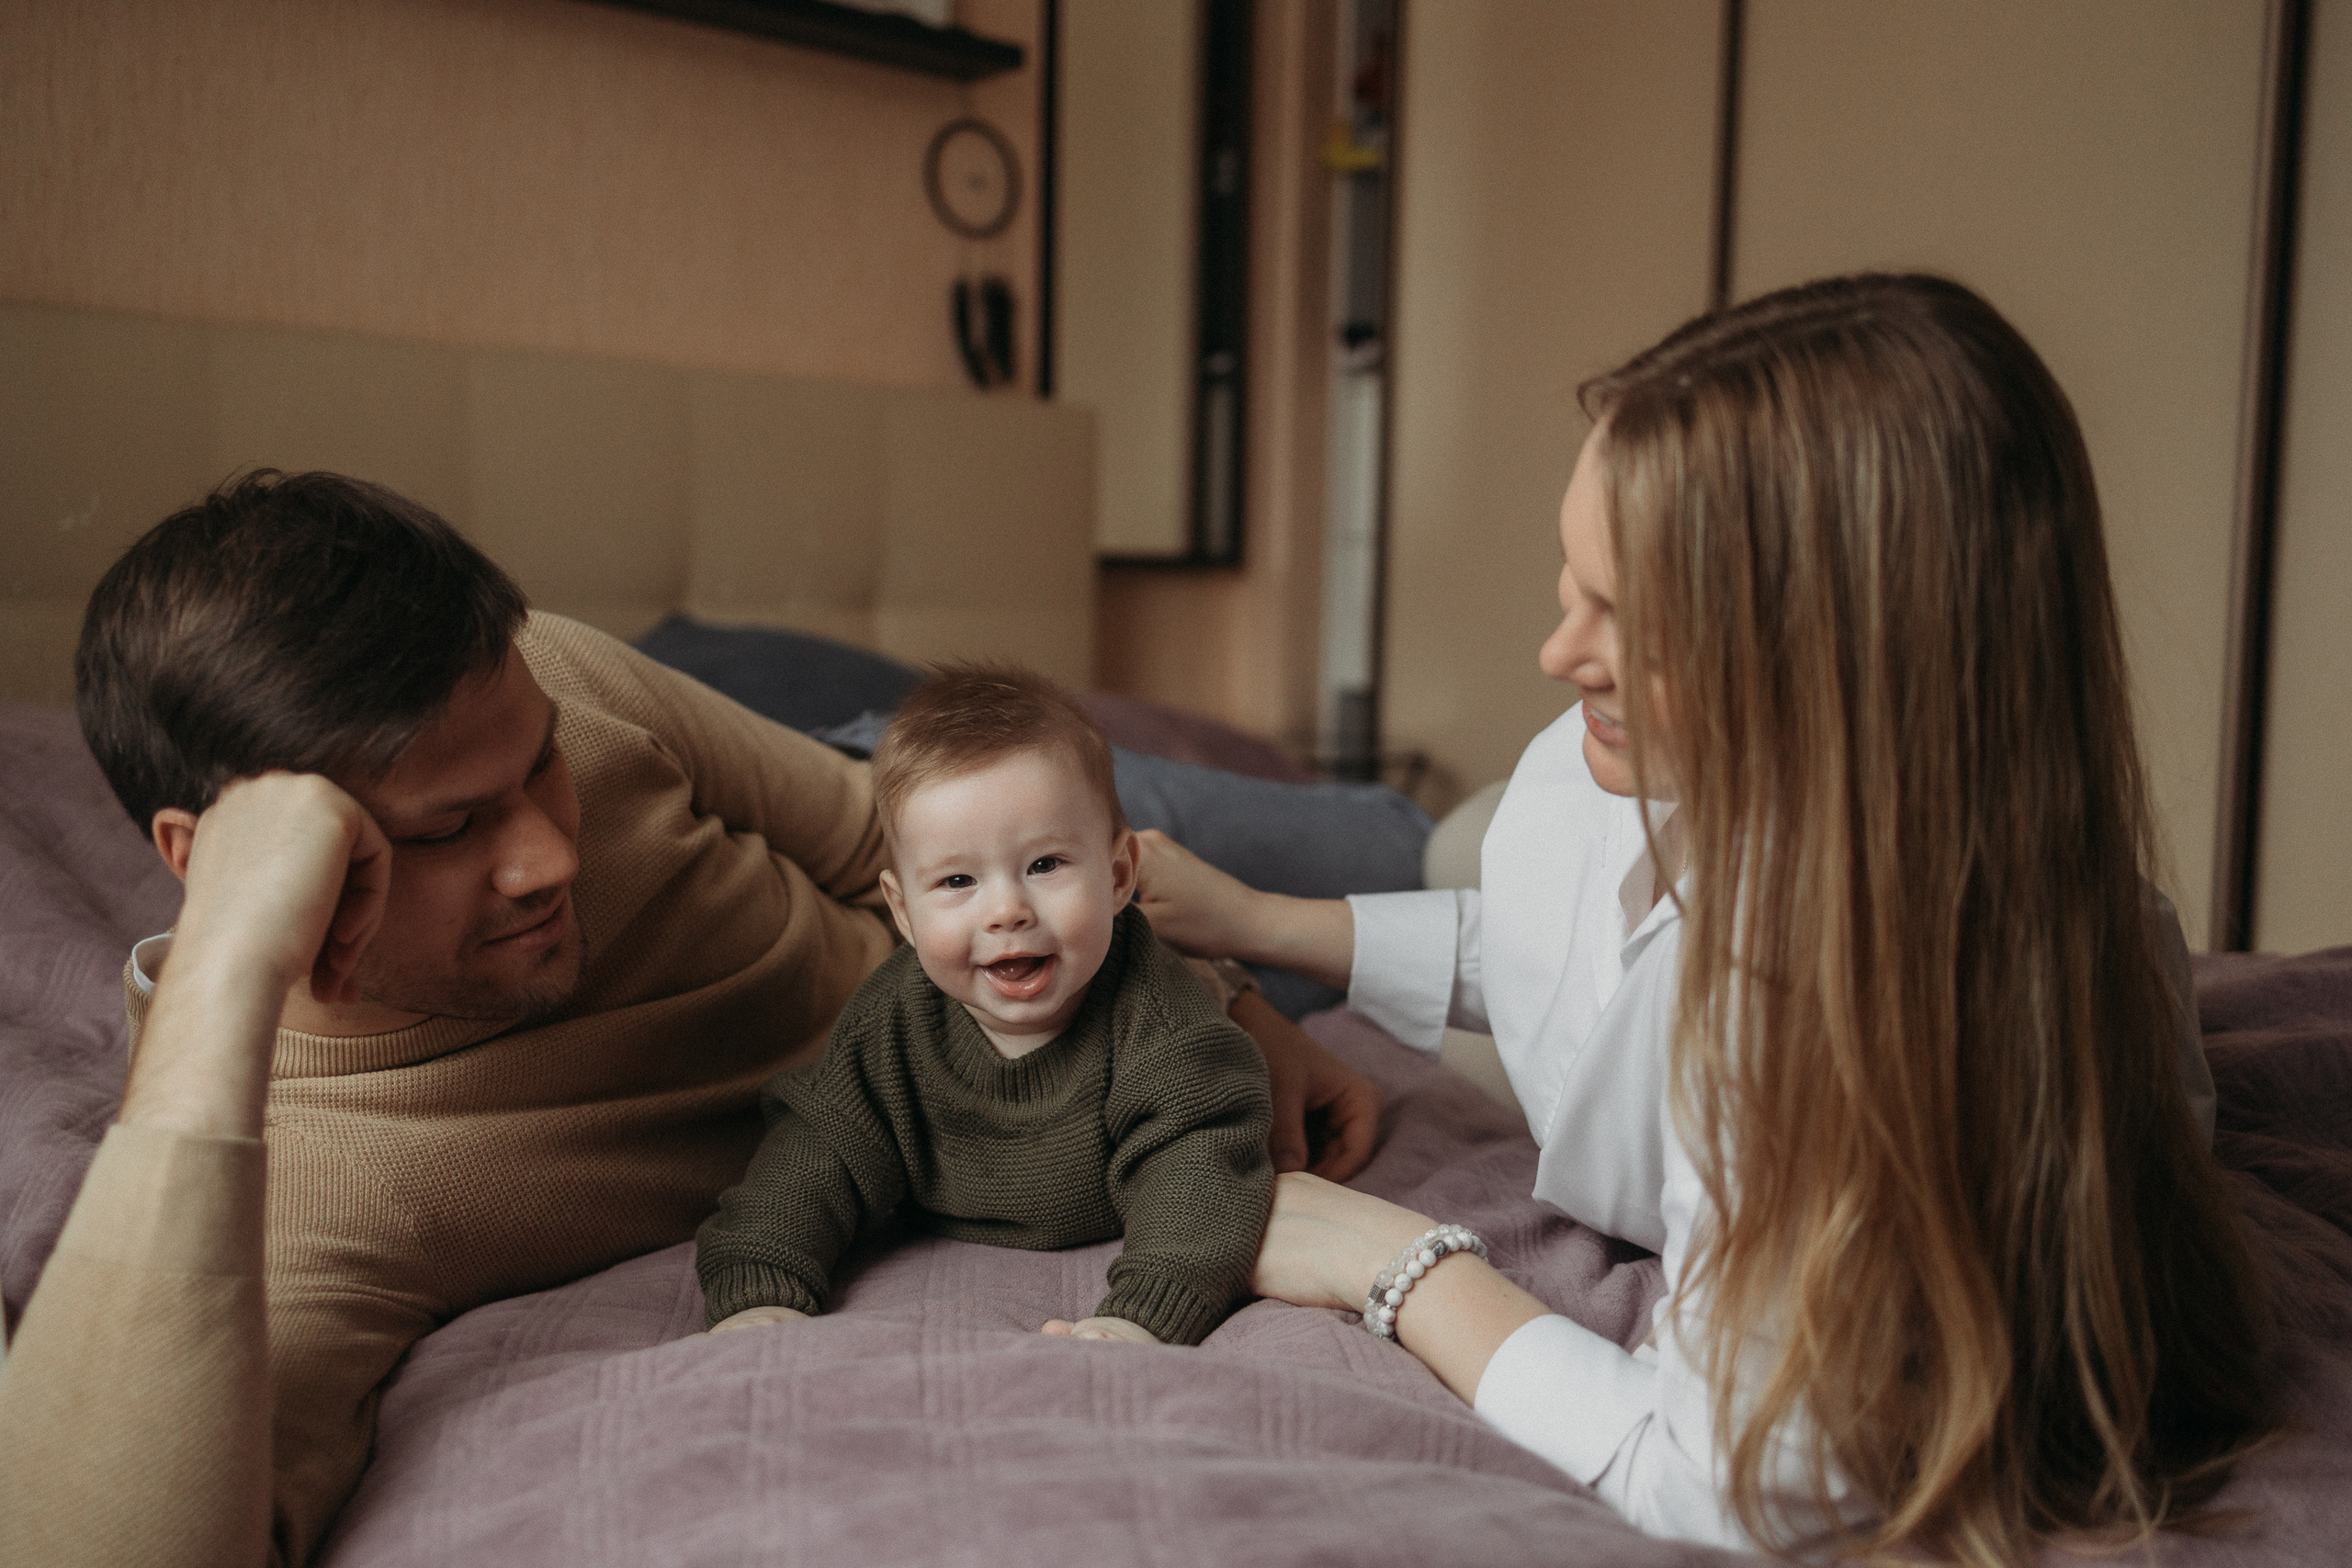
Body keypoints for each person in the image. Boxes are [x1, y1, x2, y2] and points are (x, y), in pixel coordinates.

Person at [0, 471, 1377, 1568]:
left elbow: (862, 830)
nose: (548, 850)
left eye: (537, 761)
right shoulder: (307, 1191)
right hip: (922, 1023)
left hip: (979, 862)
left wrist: (1233, 987)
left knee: (1394, 843)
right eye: (451, 827)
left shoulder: (568, 678)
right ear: (213, 855)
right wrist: (227, 964)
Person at [1137, 275, 2273, 1562]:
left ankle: (870, 781)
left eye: (1629, 619)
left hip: (1548, 932)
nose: (1558, 652)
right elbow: (1533, 945)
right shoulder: (1637, 756)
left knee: (1191, 817)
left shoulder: (1842, 1017)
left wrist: (1387, 1260)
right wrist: (1262, 925)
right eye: (1572, 582)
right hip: (1529, 848)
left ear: (1844, 658)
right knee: (1141, 820)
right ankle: (867, 783)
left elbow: (1730, 1481)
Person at [696, 666, 1272, 1347]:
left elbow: (1201, 1167)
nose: (1006, 910)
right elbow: (818, 1151)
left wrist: (1145, 1313)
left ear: (1118, 875)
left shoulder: (1159, 1020)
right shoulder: (892, 1022)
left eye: (1045, 865)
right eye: (959, 879)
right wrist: (761, 1280)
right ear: (903, 911)